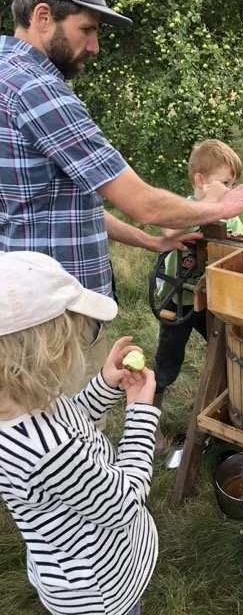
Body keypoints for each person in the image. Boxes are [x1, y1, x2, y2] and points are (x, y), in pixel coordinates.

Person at [0, 0, 243, 395]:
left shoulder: (4, 70)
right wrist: (220, 206)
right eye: (86, 30)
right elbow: (143, 203)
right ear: (43, 17)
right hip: (56, 321)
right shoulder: (40, 91)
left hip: (18, 308)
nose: (94, 46)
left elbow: (60, 205)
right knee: (72, 434)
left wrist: (149, 242)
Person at [0, 250, 160, 615]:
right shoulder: (47, 450)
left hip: (67, 564)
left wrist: (104, 384)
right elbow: (123, 502)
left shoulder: (21, 401)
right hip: (100, 588)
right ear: (45, 353)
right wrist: (140, 413)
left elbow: (73, 418)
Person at [152, 139, 243, 446]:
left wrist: (235, 239)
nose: (231, 191)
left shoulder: (228, 213)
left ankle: (221, 410)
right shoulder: (186, 210)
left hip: (211, 300)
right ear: (200, 181)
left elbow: (242, 242)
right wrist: (207, 210)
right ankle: (149, 420)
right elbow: (168, 231)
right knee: (167, 363)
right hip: (178, 301)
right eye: (225, 184)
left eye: (234, 184)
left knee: (226, 354)